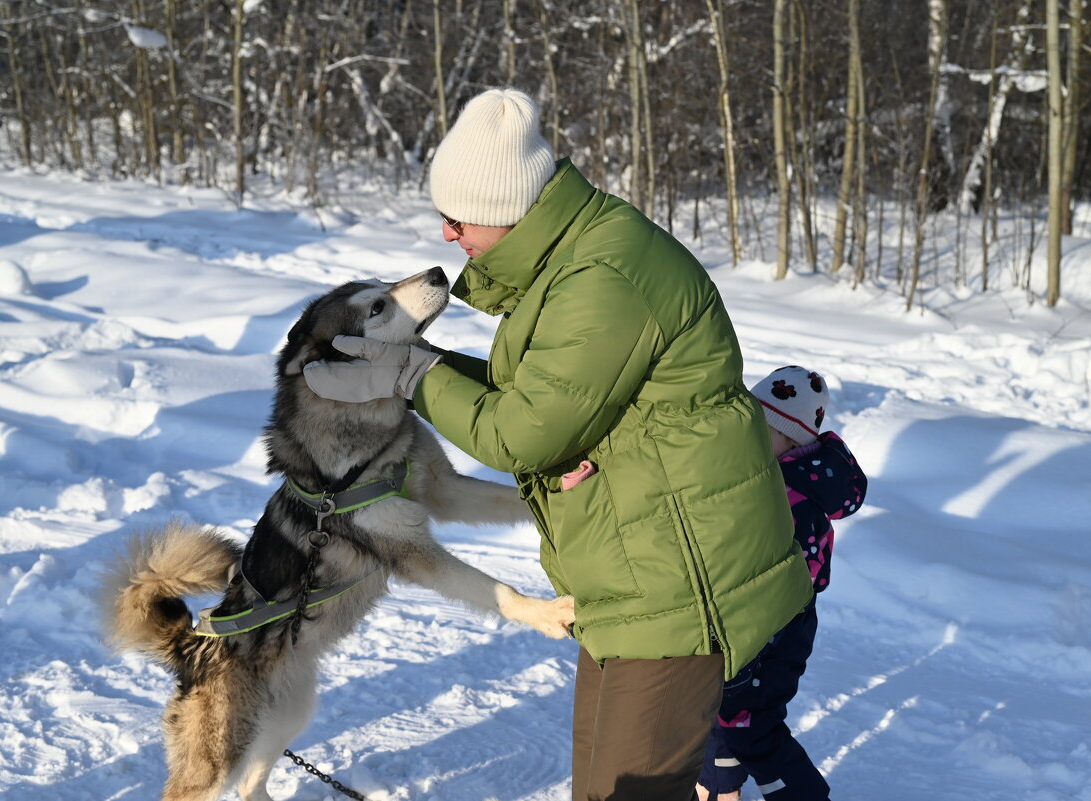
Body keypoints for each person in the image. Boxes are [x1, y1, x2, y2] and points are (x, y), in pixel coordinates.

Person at [303, 88, 814, 801]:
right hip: (628, 571)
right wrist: (419, 370)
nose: (448, 235)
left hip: (676, 585)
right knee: (602, 786)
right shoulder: (573, 262)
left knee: (629, 791)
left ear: (508, 204)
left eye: (457, 217)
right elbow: (542, 392)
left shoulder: (604, 276)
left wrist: (413, 372)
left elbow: (520, 431)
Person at [696, 366, 867, 801]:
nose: (745, 437)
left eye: (760, 430)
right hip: (743, 620)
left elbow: (798, 577)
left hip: (775, 630)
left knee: (752, 727)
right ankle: (717, 792)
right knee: (712, 707)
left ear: (791, 441)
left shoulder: (792, 495)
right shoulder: (759, 476)